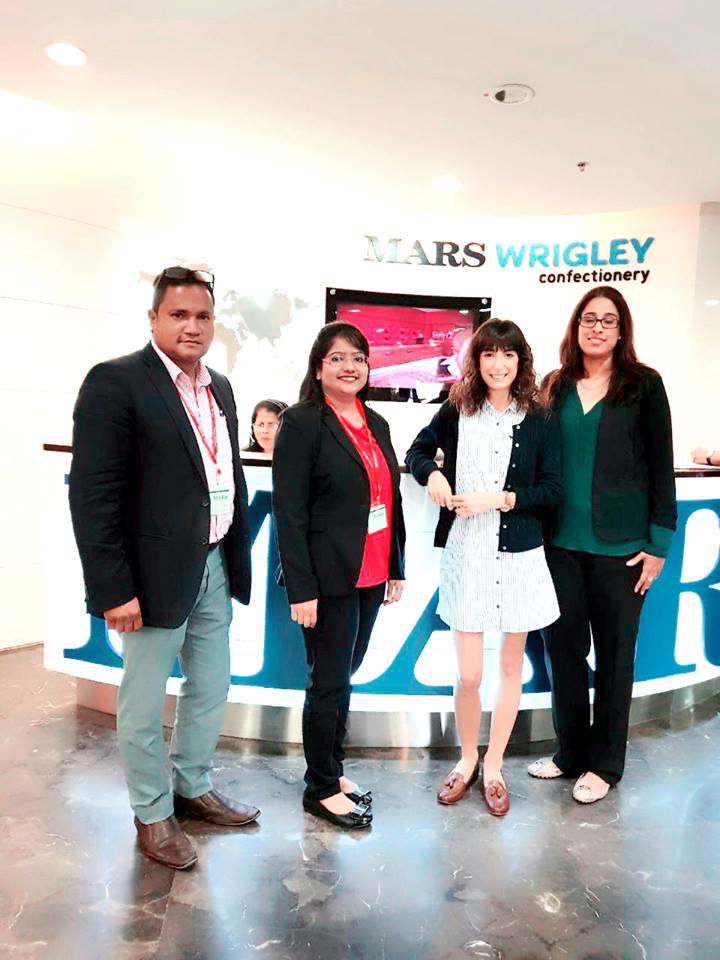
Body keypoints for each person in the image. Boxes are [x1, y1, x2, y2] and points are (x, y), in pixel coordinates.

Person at [69, 266, 259, 870]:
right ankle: (152, 813)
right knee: (144, 699)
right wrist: (112, 588)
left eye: (202, 316)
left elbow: (223, 473)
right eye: (178, 314)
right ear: (153, 318)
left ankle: (192, 785)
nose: (191, 326)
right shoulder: (116, 382)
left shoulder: (220, 387)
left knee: (211, 685)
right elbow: (93, 497)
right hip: (149, 576)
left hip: (214, 562)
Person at [406, 319, 561, 816]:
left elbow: (553, 490)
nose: (498, 364)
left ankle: (494, 764)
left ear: (521, 361)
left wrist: (499, 498)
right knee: (469, 674)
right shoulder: (457, 407)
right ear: (477, 359)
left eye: (508, 354)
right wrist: (431, 474)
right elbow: (416, 451)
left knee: (510, 668)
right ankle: (467, 758)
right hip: (467, 553)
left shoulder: (539, 417)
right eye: (489, 353)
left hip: (519, 556)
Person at [528, 286, 676, 803]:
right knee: (563, 655)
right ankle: (570, 754)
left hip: (624, 550)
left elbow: (661, 465)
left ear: (621, 331)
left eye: (607, 320)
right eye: (588, 319)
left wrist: (660, 543)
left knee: (615, 659)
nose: (596, 328)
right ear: (575, 327)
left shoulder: (644, 385)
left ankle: (606, 764)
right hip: (560, 547)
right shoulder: (554, 385)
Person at [272, 322, 405, 829]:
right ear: (318, 367)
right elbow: (290, 512)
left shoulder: (376, 422)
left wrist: (395, 565)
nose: (350, 367)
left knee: (343, 676)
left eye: (358, 358)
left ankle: (333, 768)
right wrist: (301, 588)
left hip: (370, 574)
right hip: (327, 579)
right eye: (338, 358)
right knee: (327, 682)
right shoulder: (302, 422)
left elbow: (389, 497)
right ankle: (320, 788)